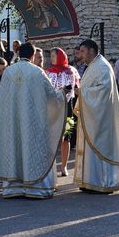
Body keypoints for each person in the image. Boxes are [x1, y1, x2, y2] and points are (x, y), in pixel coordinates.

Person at [0, 43, 66, 199]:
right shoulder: (37, 72)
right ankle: (35, 189)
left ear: (18, 53)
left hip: (12, 123)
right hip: (33, 123)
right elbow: (52, 96)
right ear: (32, 55)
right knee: (33, 149)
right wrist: (63, 93)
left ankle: (13, 188)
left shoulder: (9, 72)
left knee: (14, 148)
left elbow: (3, 100)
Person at [72, 39, 119, 193]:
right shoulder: (93, 65)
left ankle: (103, 183)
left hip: (100, 117)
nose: (80, 54)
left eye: (82, 51)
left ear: (90, 50)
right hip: (91, 114)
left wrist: (81, 92)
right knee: (89, 150)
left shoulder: (102, 66)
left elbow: (103, 91)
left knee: (99, 147)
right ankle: (89, 181)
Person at [46, 48, 79, 176]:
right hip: (52, 109)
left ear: (60, 56)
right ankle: (51, 166)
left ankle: (64, 166)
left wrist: (61, 92)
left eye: (54, 55)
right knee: (52, 138)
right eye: (51, 56)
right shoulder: (48, 72)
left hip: (67, 108)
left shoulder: (71, 71)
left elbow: (72, 89)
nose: (52, 58)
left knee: (66, 138)